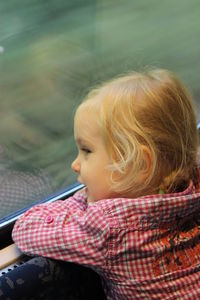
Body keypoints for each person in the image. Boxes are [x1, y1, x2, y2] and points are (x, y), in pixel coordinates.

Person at [12, 69, 200, 299]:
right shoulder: (193, 188)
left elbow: (26, 229)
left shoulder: (108, 229)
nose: (75, 164)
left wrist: (83, 198)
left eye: (87, 151)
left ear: (140, 165)